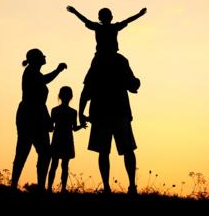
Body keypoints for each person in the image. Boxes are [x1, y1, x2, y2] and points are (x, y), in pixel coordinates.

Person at [79, 53, 141, 195]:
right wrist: (135, 82)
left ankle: (108, 187)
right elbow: (132, 85)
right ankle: (131, 186)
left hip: (102, 113)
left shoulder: (98, 61)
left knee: (105, 151)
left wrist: (80, 113)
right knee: (126, 150)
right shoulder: (120, 60)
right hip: (118, 112)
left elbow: (86, 90)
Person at [11, 48, 67, 191]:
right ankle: (16, 185)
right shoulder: (31, 73)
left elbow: (41, 102)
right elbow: (43, 84)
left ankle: (39, 187)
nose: (44, 57)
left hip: (35, 115)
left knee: (43, 152)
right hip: (30, 116)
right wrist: (58, 70)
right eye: (42, 56)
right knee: (25, 151)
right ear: (36, 59)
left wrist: (46, 119)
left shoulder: (34, 73)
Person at [66, 6, 146, 85]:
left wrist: (75, 12)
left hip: (107, 55)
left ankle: (131, 83)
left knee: (123, 61)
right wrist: (139, 14)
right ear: (111, 17)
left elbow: (85, 20)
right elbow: (127, 20)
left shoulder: (107, 27)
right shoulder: (108, 27)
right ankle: (132, 83)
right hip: (103, 55)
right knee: (94, 72)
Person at [47, 86, 87, 193]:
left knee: (54, 165)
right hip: (67, 140)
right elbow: (74, 128)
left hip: (57, 139)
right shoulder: (73, 112)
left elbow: (50, 127)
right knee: (64, 165)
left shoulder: (55, 110)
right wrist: (81, 126)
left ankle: (49, 188)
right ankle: (63, 189)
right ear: (71, 97)